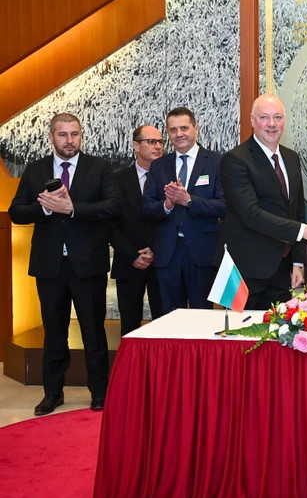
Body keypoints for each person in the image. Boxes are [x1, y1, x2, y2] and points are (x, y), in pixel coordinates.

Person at [8, 113, 121, 415]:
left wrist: (73, 209)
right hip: (50, 267)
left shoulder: (99, 167)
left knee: (93, 332)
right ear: (51, 136)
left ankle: (99, 392)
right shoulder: (35, 170)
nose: (69, 140)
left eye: (75, 134)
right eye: (63, 135)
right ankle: (52, 393)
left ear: (81, 135)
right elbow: (16, 212)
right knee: (54, 332)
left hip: (88, 266)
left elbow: (112, 205)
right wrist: (44, 210)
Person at [218, 94, 307, 309]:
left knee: (277, 336)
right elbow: (251, 214)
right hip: (245, 269)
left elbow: (297, 210)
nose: (272, 124)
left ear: (284, 121)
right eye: (264, 117)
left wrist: (297, 262)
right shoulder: (236, 160)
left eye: (277, 117)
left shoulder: (291, 157)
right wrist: (306, 232)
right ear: (252, 121)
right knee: (241, 336)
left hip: (282, 269)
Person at [141, 107, 225, 312]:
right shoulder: (159, 166)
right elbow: (146, 209)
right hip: (167, 254)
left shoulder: (216, 162)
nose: (179, 134)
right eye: (173, 130)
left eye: (184, 128)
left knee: (201, 319)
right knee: (169, 321)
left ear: (196, 128)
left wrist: (189, 201)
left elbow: (225, 206)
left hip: (202, 254)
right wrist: (167, 205)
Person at [110, 125, 164, 334]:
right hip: (128, 262)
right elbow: (110, 225)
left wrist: (155, 250)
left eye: (160, 142)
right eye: (152, 142)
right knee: (129, 327)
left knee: (165, 325)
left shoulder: (171, 178)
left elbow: (174, 221)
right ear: (136, 145)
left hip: (162, 262)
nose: (158, 146)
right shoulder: (117, 180)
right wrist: (133, 254)